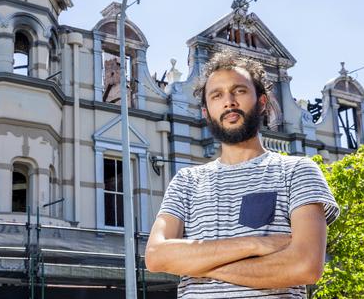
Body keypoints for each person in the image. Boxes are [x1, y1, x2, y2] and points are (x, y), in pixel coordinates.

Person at [145, 52, 340, 298]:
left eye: (239, 91)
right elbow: (155, 256)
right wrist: (255, 244)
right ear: (206, 112)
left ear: (261, 102)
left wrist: (199, 265)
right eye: (217, 95)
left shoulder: (298, 171)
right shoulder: (186, 182)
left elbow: (305, 266)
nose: (229, 102)